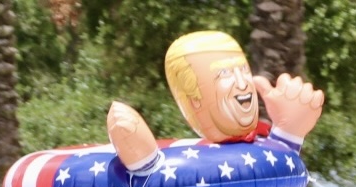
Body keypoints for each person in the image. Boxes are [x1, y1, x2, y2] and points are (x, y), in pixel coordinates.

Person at [107, 30, 324, 170]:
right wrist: (142, 161)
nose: (242, 83)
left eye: (242, 69)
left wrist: (290, 130)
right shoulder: (189, 165)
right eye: (224, 74)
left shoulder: (271, 152)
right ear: (195, 99)